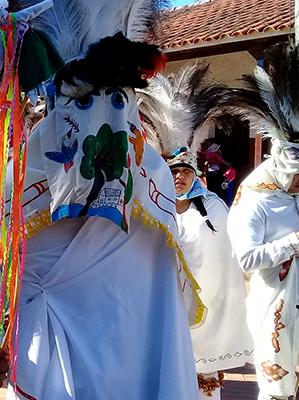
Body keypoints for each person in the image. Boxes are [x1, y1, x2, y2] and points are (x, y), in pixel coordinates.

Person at [0, 0, 204, 399]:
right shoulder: (20, 180)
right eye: (84, 101)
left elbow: (160, 309)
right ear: (55, 105)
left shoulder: (152, 178)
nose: (100, 120)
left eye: (115, 99)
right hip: (42, 379)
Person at [138, 65, 254, 398]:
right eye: (171, 172)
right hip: (162, 303)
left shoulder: (214, 208)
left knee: (203, 383)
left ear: (194, 174)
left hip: (207, 305)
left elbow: (226, 260)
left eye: (184, 172)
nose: (178, 178)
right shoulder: (150, 210)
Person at [223, 42, 299, 400]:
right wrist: (294, 242)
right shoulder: (255, 198)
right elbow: (247, 258)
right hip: (275, 308)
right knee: (277, 390)